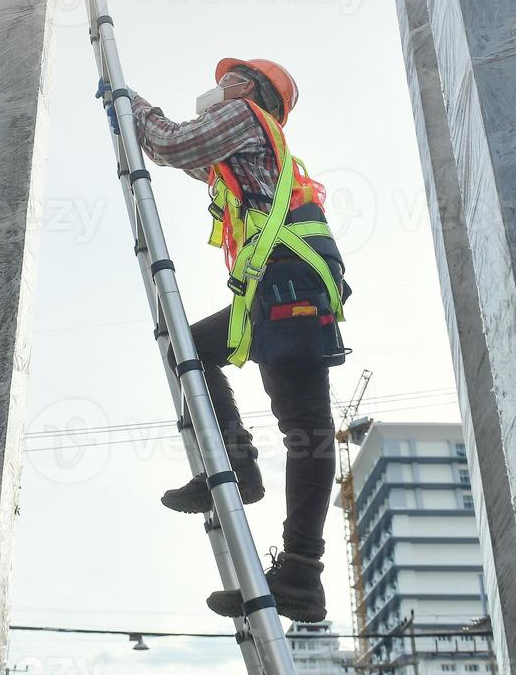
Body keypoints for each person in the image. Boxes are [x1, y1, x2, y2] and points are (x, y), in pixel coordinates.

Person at [123, 57, 351, 623]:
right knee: (196, 353)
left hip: (286, 288)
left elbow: (174, 144)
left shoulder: (245, 116)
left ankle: (300, 570)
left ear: (247, 87)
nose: (217, 87)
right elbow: (189, 159)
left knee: (307, 431)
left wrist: (132, 103)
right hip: (276, 290)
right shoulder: (251, 149)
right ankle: (241, 469)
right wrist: (155, 132)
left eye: (228, 79)